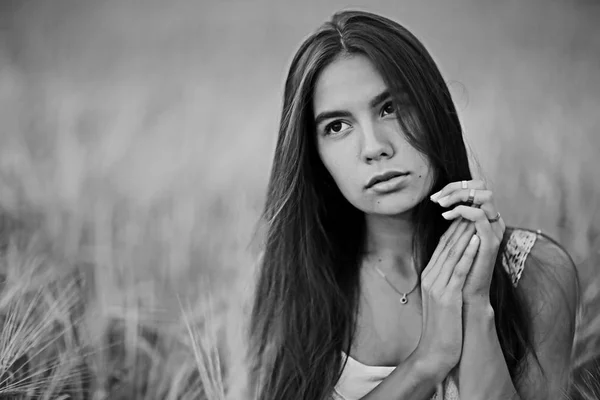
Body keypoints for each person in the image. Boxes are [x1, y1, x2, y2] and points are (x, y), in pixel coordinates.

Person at [246, 9, 579, 400]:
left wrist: (476, 306)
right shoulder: (297, 277)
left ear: (433, 109)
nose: (374, 148)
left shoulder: (536, 272)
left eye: (391, 108)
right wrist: (428, 360)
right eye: (337, 126)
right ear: (313, 153)